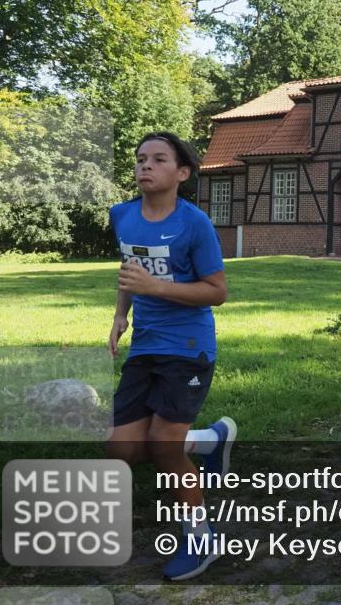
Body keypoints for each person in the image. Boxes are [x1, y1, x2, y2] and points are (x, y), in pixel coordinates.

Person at [106, 132, 236, 581]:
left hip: (188, 347)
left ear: (182, 173)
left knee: (162, 446)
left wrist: (156, 288)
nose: (146, 166)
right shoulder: (122, 216)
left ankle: (201, 535)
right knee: (121, 449)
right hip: (145, 346)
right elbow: (129, 273)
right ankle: (209, 441)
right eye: (141, 158)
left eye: (159, 159)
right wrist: (120, 316)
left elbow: (217, 292)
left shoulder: (194, 223)